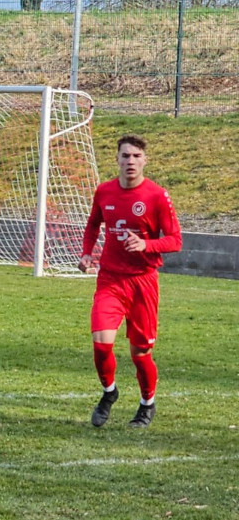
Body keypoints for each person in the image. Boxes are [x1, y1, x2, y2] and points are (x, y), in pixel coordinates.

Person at [78, 135, 182, 429]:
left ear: (144, 160)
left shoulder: (157, 196)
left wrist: (146, 245)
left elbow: (175, 240)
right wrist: (87, 254)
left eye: (136, 156)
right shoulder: (104, 191)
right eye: (125, 156)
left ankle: (147, 404)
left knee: (140, 354)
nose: (131, 161)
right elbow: (93, 224)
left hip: (143, 283)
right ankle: (109, 393)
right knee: (100, 343)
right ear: (117, 160)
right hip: (110, 279)